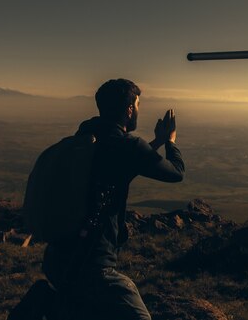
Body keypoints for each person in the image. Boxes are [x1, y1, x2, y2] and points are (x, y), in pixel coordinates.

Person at [42, 78, 185, 319]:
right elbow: (175, 172)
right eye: (138, 104)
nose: (138, 110)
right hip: (93, 264)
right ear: (129, 109)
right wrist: (170, 142)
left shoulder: (85, 138)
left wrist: (157, 142)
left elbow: (124, 164)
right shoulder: (127, 146)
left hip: (57, 259)